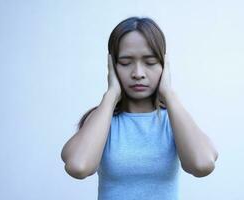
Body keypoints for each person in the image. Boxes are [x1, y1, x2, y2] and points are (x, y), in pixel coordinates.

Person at [61, 16, 219, 200]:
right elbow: (78, 166)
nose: (138, 73)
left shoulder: (174, 119)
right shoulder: (102, 120)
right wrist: (111, 95)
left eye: (150, 62)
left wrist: (168, 94)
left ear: (164, 65)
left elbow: (202, 165)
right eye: (126, 63)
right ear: (111, 66)